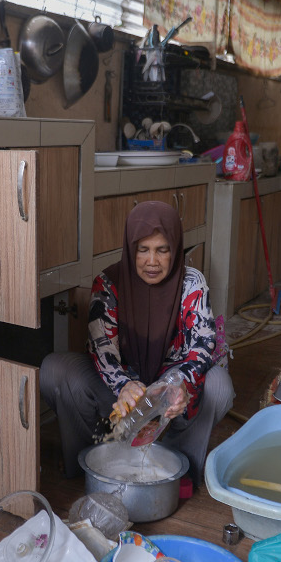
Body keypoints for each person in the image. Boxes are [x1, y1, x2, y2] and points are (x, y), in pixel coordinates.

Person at [41, 201, 234, 485]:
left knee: (220, 386)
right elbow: (102, 350)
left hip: (174, 396)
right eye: (143, 250)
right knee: (55, 369)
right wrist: (124, 386)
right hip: (124, 398)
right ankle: (92, 459)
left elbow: (202, 348)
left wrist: (175, 384)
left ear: (176, 250)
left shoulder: (192, 284)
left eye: (162, 250)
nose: (152, 261)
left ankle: (180, 464)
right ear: (130, 250)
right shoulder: (108, 284)